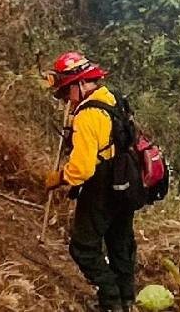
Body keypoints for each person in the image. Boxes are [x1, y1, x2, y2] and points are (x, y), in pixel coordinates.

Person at [42, 51, 137, 312]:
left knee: (83, 247)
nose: (65, 99)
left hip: (101, 185)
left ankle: (110, 300)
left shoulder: (87, 115)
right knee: (120, 242)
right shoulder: (111, 98)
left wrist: (60, 178)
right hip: (126, 180)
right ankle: (127, 300)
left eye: (65, 92)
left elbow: (82, 169)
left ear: (79, 84)